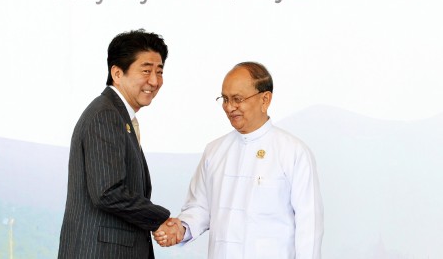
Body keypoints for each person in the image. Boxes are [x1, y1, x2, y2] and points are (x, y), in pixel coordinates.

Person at [154, 61, 324, 258]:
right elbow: (200, 207)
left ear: (265, 99)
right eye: (225, 99)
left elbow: (309, 226)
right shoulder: (215, 151)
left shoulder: (293, 152)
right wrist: (182, 228)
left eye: (237, 99)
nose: (229, 107)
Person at [58, 29, 182, 259]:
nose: (154, 81)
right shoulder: (105, 115)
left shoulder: (118, 116)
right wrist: (159, 219)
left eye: (159, 71)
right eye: (146, 71)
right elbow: (108, 191)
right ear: (117, 72)